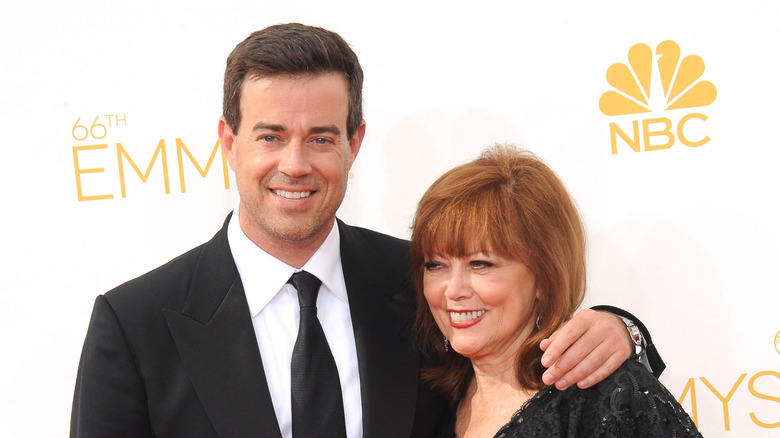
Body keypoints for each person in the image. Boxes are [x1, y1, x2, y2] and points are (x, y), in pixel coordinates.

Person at [70, 24, 662, 438]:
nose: (296, 164)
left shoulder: (422, 284)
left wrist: (620, 328)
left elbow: (528, 355)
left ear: (354, 143)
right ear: (229, 142)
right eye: (271, 135)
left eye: (322, 137)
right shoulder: (135, 324)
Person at [410, 144, 700, 437]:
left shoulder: (607, 398)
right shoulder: (422, 404)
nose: (453, 290)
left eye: (480, 264)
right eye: (435, 265)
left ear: (543, 276)